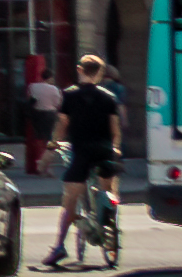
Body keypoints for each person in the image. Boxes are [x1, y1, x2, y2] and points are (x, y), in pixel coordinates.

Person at [47, 50, 126, 264]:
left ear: (79, 70)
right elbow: (115, 129)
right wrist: (116, 148)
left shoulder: (70, 95)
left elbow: (62, 124)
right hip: (103, 151)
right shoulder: (109, 98)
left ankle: (59, 247)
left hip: (81, 152)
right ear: (99, 73)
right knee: (108, 188)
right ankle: (109, 223)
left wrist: (51, 146)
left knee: (70, 200)